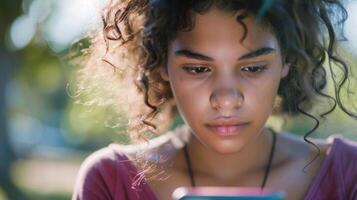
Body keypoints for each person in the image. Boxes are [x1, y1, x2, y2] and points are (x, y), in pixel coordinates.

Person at [72, 0, 357, 199]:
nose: (227, 100)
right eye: (198, 69)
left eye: (253, 68)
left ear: (287, 62)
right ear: (161, 65)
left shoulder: (349, 174)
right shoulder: (110, 180)